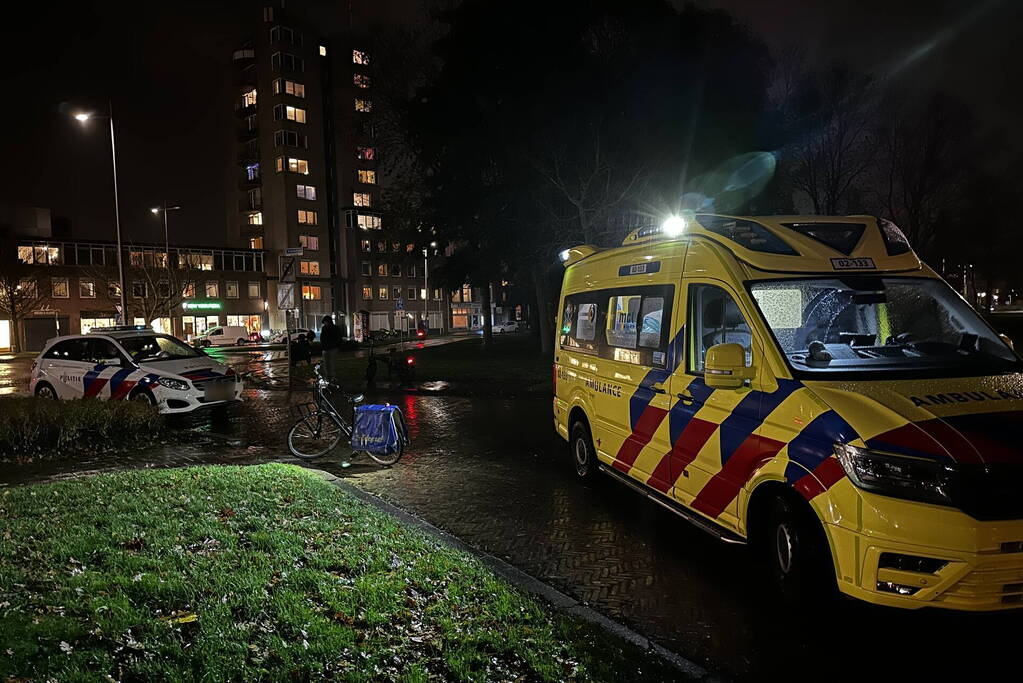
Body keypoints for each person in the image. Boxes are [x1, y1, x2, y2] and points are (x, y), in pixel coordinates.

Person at [319, 314, 342, 380]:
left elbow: (338, 338)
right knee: (329, 364)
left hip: (330, 349)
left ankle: (331, 377)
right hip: (329, 349)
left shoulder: (331, 328)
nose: (325, 323)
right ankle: (330, 377)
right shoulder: (327, 328)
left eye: (325, 322)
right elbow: (322, 338)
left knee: (330, 364)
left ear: (328, 321)